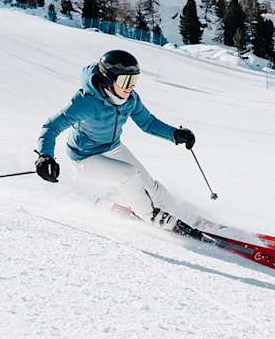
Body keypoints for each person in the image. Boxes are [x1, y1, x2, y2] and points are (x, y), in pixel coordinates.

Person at [36, 49, 198, 232]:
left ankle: (175, 209)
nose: (130, 87)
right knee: (128, 174)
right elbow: (51, 126)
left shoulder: (130, 100)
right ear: (108, 80)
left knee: (149, 185)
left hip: (112, 147)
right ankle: (149, 215)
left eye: (134, 80)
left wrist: (175, 134)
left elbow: (148, 122)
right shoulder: (86, 102)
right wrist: (45, 156)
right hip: (85, 157)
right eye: (125, 81)